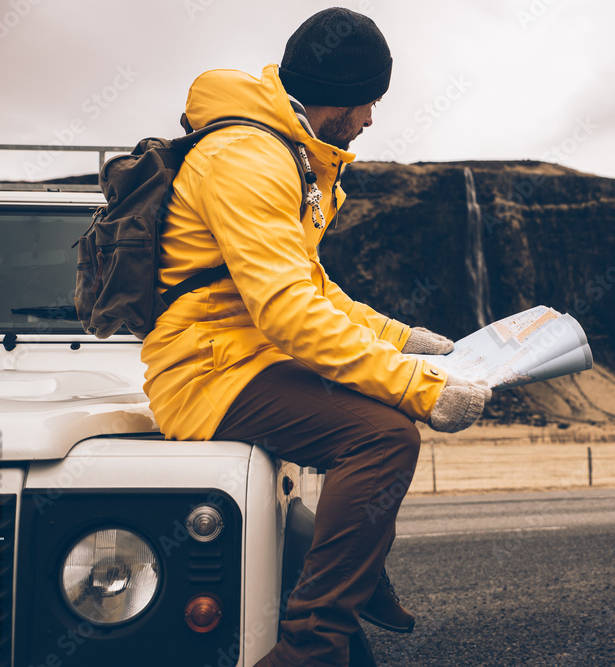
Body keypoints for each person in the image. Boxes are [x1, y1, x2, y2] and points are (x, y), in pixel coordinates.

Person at [140, 7, 491, 665]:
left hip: (242, 360)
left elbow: (314, 288)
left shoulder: (283, 151)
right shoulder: (248, 156)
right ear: (337, 91)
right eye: (366, 102)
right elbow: (288, 312)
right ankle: (311, 647)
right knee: (385, 435)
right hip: (206, 373)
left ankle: (360, 577)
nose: (369, 120)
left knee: (382, 412)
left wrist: (404, 339)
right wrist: (421, 387)